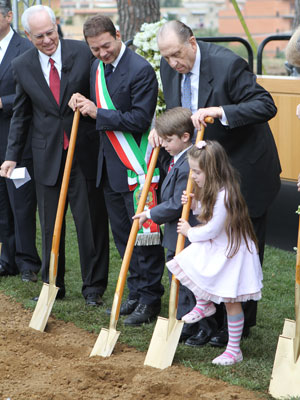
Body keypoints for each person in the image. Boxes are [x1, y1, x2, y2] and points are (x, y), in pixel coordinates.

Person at [151, 20, 281, 347]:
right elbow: (179, 114)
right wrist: (161, 130)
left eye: (176, 54)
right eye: (166, 58)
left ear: (192, 43)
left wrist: (220, 110)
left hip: (245, 170)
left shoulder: (227, 64)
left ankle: (238, 327)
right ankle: (209, 322)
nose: (172, 63)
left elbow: (266, 105)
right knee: (211, 247)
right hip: (208, 175)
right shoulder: (170, 70)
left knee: (240, 250)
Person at [0, 5, 109, 306]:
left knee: (89, 223)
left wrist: (87, 103)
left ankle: (93, 290)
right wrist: (11, 155)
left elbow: (99, 97)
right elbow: (21, 115)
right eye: (39, 36)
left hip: (82, 150)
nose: (47, 40)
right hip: (45, 155)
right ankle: (52, 285)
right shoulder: (22, 65)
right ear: (28, 36)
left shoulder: (82, 53)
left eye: (51, 32)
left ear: (57, 25)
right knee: (50, 224)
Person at [69, 14, 165, 325]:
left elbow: (138, 119)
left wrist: (98, 112)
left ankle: (150, 299)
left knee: (145, 238)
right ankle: (135, 292)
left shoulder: (140, 70)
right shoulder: (97, 67)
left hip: (135, 167)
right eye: (95, 49)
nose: (101, 53)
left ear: (118, 35)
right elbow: (98, 112)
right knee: (124, 236)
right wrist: (83, 104)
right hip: (108, 168)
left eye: (105, 46)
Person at [167, 140, 263, 365]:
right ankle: (204, 304)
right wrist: (193, 204)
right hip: (217, 246)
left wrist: (190, 231)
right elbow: (205, 213)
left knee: (231, 301)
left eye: (197, 172)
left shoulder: (227, 195)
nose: (193, 176)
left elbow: (212, 228)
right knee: (190, 262)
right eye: (191, 170)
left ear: (213, 171)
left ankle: (233, 349)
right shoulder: (211, 188)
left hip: (232, 252)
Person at [133, 107, 202, 325]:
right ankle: (182, 319)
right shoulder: (175, 157)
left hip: (187, 233)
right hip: (175, 234)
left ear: (185, 137)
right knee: (178, 278)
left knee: (188, 281)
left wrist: (150, 213)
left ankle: (189, 322)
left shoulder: (188, 166)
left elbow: (176, 205)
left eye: (168, 140)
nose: (163, 144)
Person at [0, 0, 41, 282]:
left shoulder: (26, 48)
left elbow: (36, 93)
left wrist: (3, 102)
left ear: (8, 16)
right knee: (2, 203)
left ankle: (28, 263)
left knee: (21, 202)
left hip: (18, 142)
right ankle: (7, 259)